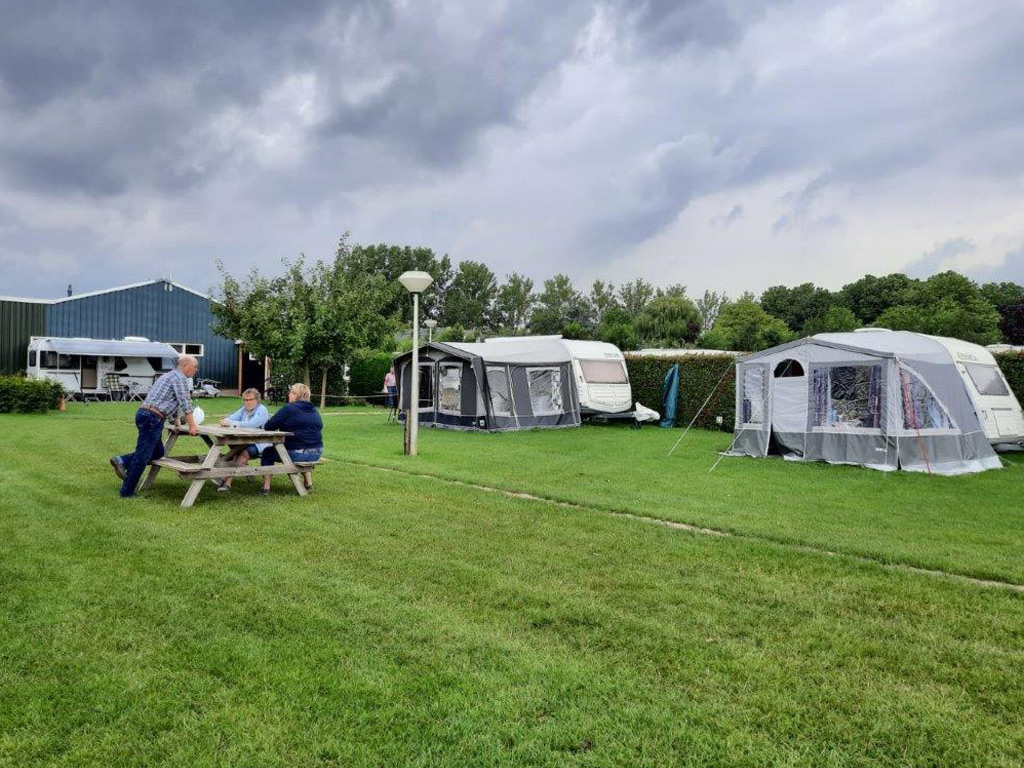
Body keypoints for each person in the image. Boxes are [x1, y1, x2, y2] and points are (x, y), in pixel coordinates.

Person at [110, 354, 199, 497]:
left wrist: (175, 422)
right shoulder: (180, 378)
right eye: (195, 367)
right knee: (142, 456)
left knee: (158, 453)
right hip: (153, 418)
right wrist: (192, 427)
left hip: (145, 414)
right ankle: (126, 492)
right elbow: (185, 403)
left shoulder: (168, 376)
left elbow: (170, 401)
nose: (196, 370)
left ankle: (122, 460)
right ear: (184, 365)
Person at [260, 383, 323, 495]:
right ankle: (308, 482)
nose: (288, 394)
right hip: (317, 452)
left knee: (267, 452)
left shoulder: (289, 408)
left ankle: (266, 486)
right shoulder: (314, 410)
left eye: (291, 392)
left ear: (296, 395)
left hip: (297, 453)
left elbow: (268, 426)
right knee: (301, 447)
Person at [216, 388, 269, 492]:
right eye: (245, 400)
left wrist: (234, 424)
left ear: (257, 400)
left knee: (243, 453)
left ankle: (226, 480)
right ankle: (225, 480)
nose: (247, 402)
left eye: (250, 400)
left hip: (260, 443)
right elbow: (232, 417)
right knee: (235, 451)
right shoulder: (244, 409)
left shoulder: (262, 410)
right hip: (245, 441)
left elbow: (254, 423)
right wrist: (226, 420)